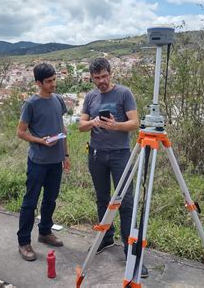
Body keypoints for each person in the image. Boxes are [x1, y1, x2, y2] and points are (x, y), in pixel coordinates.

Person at [78, 57, 148, 278]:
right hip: (96, 154)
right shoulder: (90, 96)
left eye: (104, 76)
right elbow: (81, 125)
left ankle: (131, 253)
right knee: (103, 199)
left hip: (120, 155)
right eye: (97, 78)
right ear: (91, 78)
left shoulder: (124, 93)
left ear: (111, 73)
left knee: (126, 203)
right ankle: (106, 238)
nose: (102, 81)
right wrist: (94, 122)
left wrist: (115, 125)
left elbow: (135, 123)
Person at [16, 62, 70, 261]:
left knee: (50, 199)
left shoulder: (58, 100)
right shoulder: (31, 104)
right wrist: (40, 141)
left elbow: (62, 128)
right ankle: (24, 242)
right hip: (38, 161)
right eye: (49, 81)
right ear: (38, 83)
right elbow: (20, 132)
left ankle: (45, 232)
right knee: (30, 202)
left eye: (54, 79)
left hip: (56, 161)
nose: (53, 84)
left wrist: (66, 156)